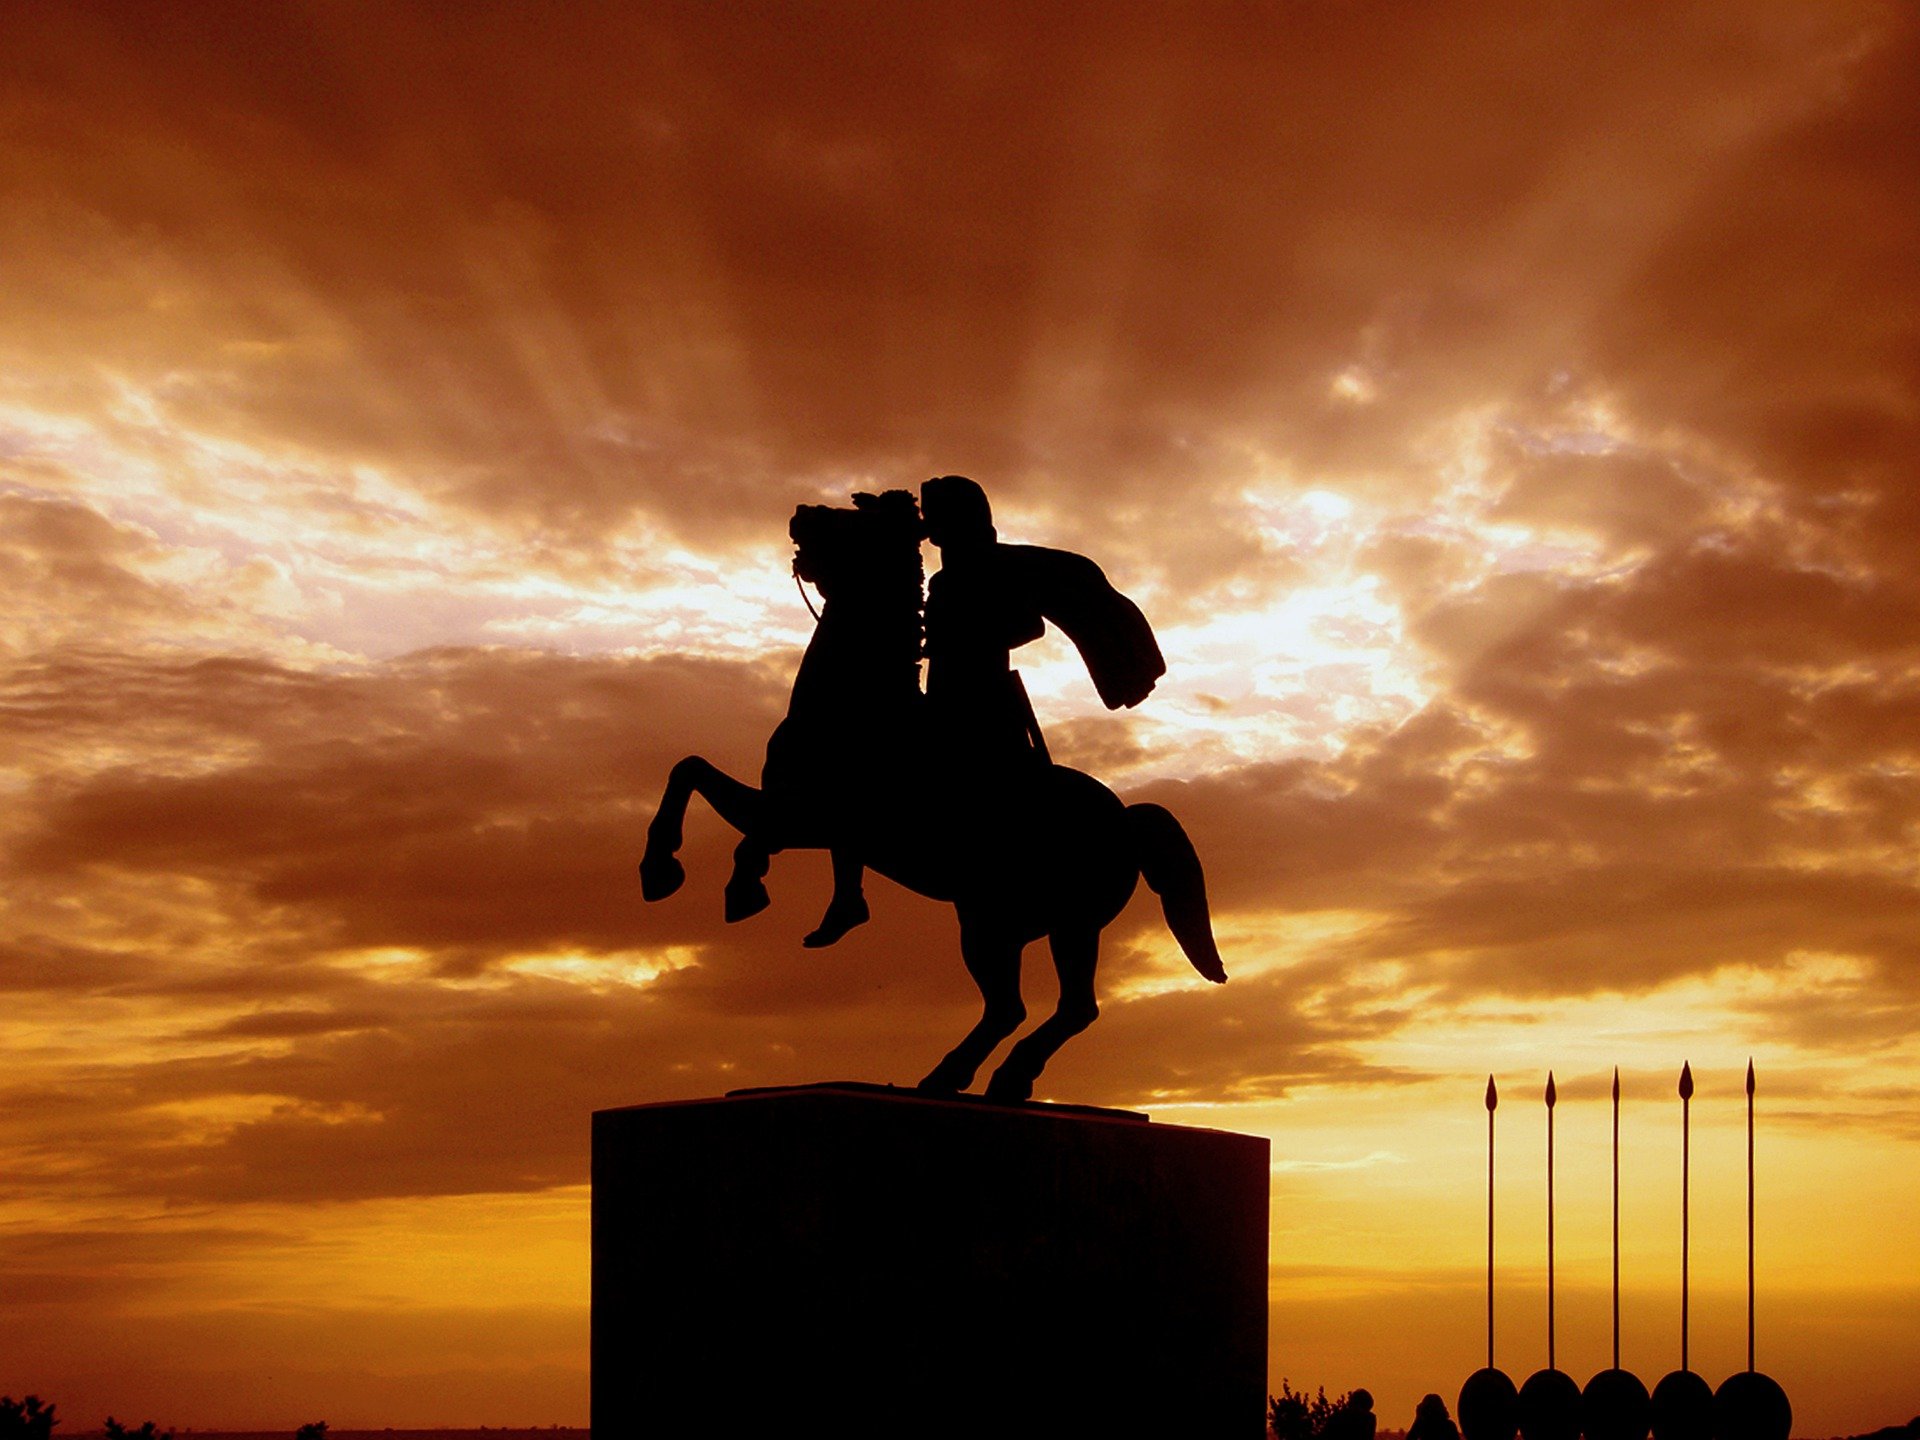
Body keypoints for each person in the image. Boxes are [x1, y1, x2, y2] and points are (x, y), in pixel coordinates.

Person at [801, 475, 1167, 946]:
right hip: (943, 691)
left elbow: (1027, 626)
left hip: (980, 699)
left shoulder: (992, 568)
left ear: (957, 518)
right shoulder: (945, 575)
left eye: (935, 515)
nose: (928, 524)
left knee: (869, 775)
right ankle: (849, 894)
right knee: (858, 769)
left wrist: (969, 637)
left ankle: (857, 893)